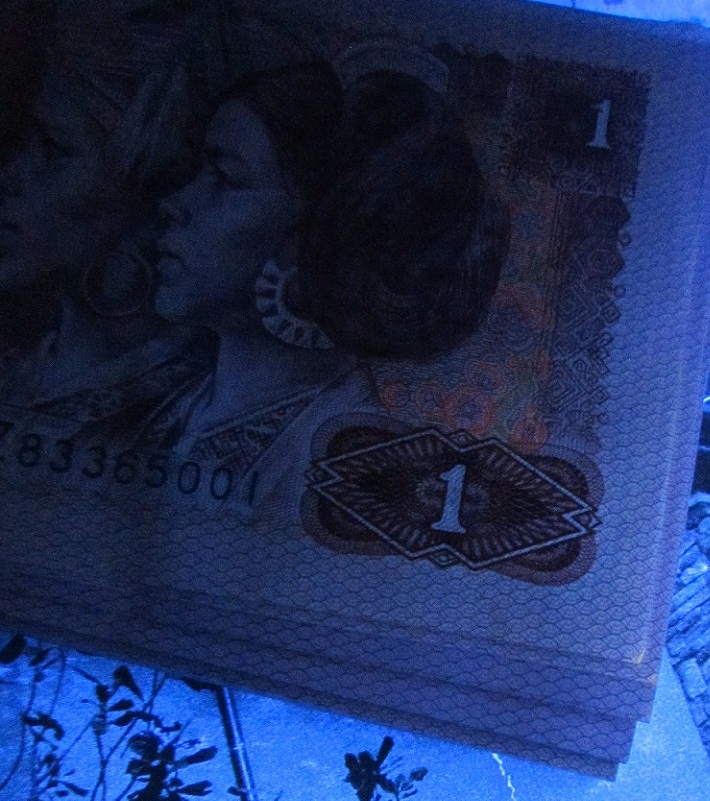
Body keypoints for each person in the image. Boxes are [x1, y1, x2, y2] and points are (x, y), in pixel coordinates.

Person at [146, 57, 509, 515]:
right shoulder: (169, 407)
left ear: (320, 230)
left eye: (225, 178)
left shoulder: (347, 468)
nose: (174, 204)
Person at [0, 10, 213, 435]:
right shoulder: (23, 362)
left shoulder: (198, 402)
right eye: (20, 139)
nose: (8, 173)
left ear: (150, 181)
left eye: (53, 147)